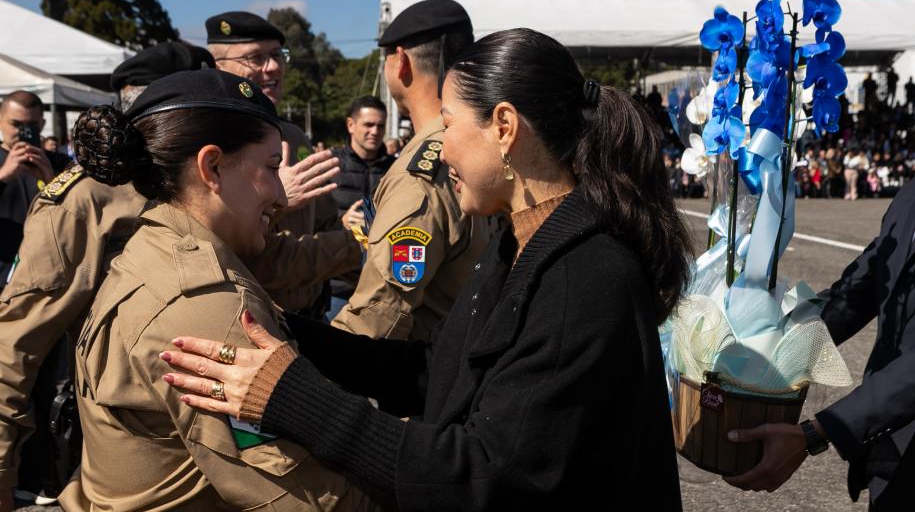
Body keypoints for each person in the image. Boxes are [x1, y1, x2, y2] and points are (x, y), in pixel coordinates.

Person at [160, 28, 690, 511]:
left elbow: (485, 475)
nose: (439, 146)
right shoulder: (519, 239)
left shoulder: (585, 276)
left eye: (449, 125)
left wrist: (295, 398)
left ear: (504, 128)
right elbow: (437, 372)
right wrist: (289, 334)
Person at [0, 43, 352, 511]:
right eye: (269, 167)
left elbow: (260, 266)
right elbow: (14, 343)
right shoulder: (87, 200)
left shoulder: (188, 222)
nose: (280, 192)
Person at [724, 178, 915, 511]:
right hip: (889, 454)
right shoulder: (909, 193)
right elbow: (858, 291)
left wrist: (819, 432)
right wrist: (764, 342)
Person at [330, 0, 491, 342]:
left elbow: (378, 315)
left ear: (400, 62)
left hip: (424, 371)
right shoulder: (485, 144)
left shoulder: (418, 175)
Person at [207, 10, 350, 319]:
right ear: (219, 67)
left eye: (277, 55)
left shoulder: (295, 136)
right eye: (255, 58)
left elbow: (323, 220)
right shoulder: (208, 143)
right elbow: (214, 245)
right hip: (251, 321)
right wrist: (276, 200)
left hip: (311, 314)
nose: (272, 67)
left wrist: (353, 232)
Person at [327, 96, 395, 320]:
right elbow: (310, 221)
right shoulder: (329, 166)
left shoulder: (396, 169)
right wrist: (340, 220)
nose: (375, 131)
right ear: (350, 125)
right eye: (368, 124)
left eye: (380, 125)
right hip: (337, 286)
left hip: (381, 287)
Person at [0, 91, 71, 288]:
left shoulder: (60, 162)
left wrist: (52, 179)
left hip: (48, 273)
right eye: (16, 124)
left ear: (41, 124)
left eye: (31, 125)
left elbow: (79, 209)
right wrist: (4, 175)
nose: (24, 132)